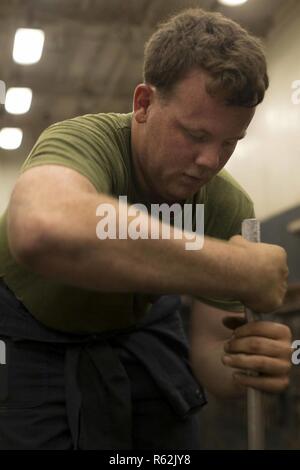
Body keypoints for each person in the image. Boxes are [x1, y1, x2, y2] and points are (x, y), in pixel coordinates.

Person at [0, 8, 291, 449]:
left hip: (137, 329)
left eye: (229, 143)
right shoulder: (87, 142)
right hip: (29, 328)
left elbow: (212, 357)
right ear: (143, 104)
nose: (210, 161)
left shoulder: (226, 204)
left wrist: (248, 362)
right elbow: (41, 228)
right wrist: (235, 269)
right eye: (194, 135)